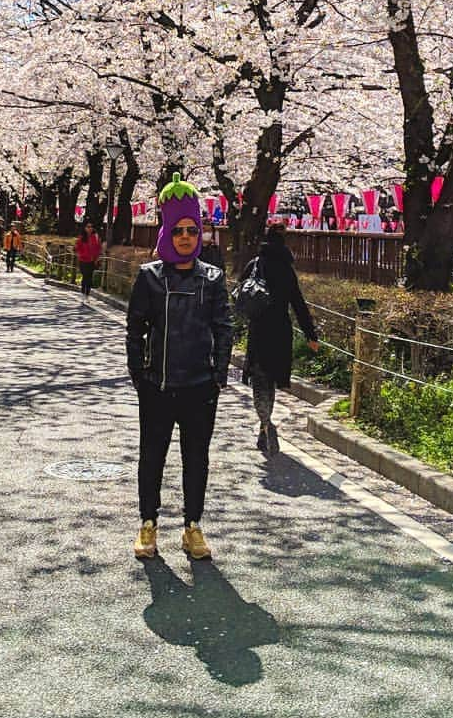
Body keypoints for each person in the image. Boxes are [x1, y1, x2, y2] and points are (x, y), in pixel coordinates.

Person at [126, 174, 232, 562]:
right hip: (158, 384)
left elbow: (224, 326)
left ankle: (192, 526)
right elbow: (135, 328)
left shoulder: (213, 278)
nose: (186, 236)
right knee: (151, 456)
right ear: (167, 232)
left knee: (196, 458)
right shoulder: (149, 277)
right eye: (178, 230)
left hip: (200, 387)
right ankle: (148, 523)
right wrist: (139, 374)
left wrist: (219, 374)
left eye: (192, 230)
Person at [242, 222, 319, 454]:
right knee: (271, 379)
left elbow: (240, 291)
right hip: (280, 330)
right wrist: (310, 335)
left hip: (258, 329)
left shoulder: (255, 264)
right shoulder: (287, 269)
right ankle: (265, 424)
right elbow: (298, 303)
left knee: (259, 380)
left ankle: (264, 422)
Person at [74, 219, 102, 302]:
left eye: (91, 227)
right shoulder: (81, 237)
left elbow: (98, 248)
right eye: (88, 227)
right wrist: (81, 254)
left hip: (92, 261)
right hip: (83, 260)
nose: (90, 228)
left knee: (89, 278)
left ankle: (87, 295)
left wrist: (97, 258)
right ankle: (83, 294)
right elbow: (77, 248)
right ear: (85, 228)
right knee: (85, 277)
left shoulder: (95, 237)